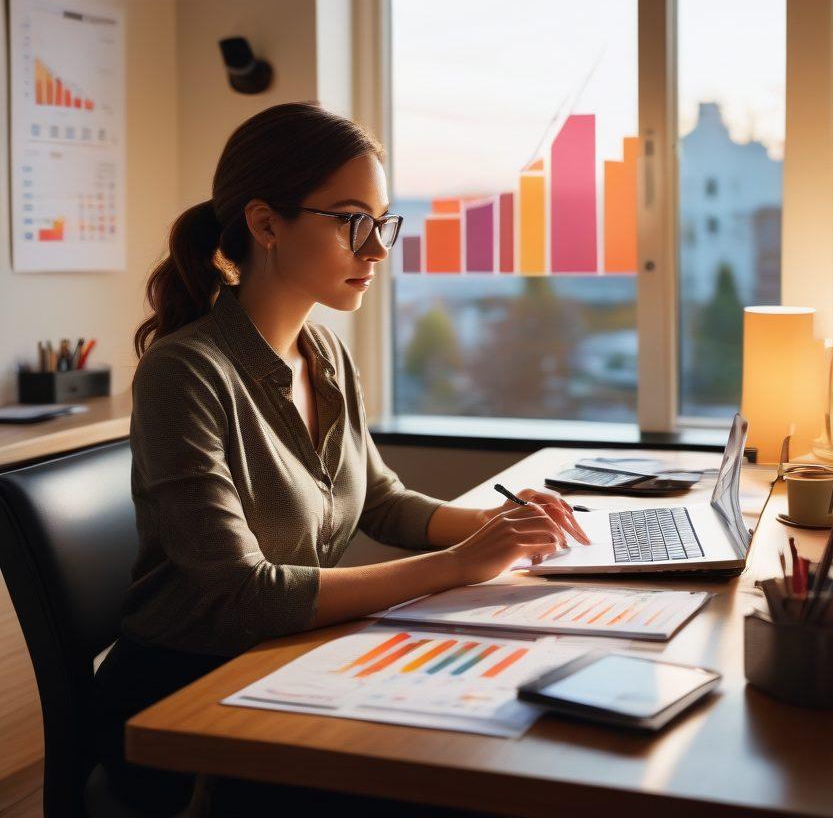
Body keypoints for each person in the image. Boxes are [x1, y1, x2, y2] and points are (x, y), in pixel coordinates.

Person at [92, 101, 587, 816]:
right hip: (185, 700)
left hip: (286, 663)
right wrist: (455, 565)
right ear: (265, 224)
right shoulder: (185, 372)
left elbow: (380, 499)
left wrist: (500, 527)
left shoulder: (323, 354)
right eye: (354, 221)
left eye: (382, 222)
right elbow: (242, 592)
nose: (378, 249)